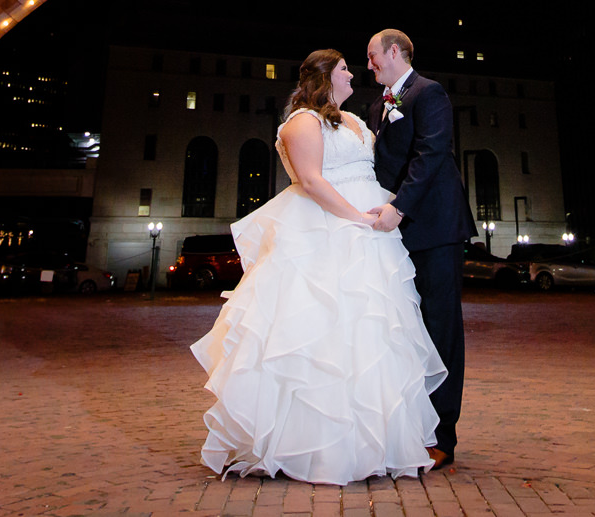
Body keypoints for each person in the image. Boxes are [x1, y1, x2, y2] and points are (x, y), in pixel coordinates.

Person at [191, 49, 446, 484]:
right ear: (327, 76)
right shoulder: (302, 121)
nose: (355, 73)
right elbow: (311, 181)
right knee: (319, 333)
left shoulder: (355, 122)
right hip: (326, 230)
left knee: (370, 334)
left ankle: (374, 442)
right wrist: (357, 218)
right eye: (347, 67)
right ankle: (307, 446)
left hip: (372, 238)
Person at [364, 28, 475, 467]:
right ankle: (412, 425)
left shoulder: (430, 94)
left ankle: (443, 437)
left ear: (394, 52)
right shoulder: (376, 105)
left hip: (436, 229)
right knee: (408, 333)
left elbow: (430, 154)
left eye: (372, 56)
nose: (368, 63)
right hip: (399, 234)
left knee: (441, 329)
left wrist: (399, 209)